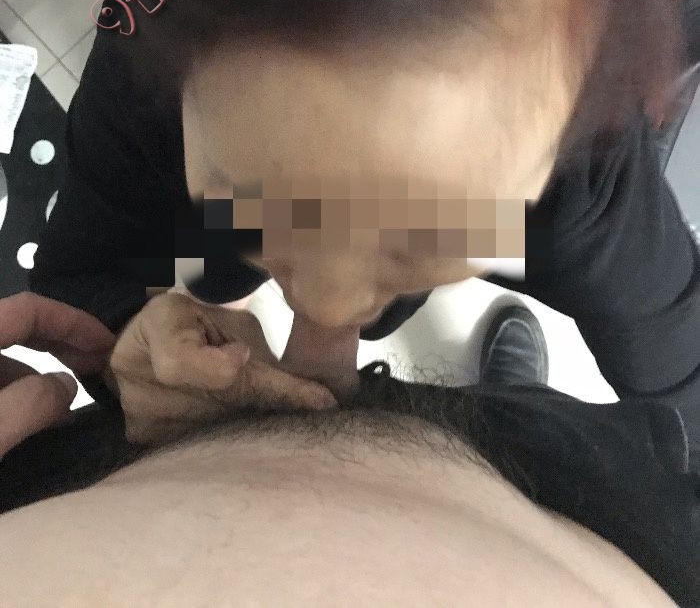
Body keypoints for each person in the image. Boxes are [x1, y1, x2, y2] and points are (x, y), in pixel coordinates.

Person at [1, 0, 698, 590]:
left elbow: (681, 365)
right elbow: (79, 278)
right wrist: (133, 342)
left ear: (560, 144)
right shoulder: (148, 53)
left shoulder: (580, 185)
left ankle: (508, 397)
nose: (325, 323)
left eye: (418, 235)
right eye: (260, 194)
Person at [1, 301, 698, 605]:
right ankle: (511, 393)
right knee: (534, 422)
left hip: (110, 462)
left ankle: (507, 395)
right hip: (594, 513)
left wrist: (127, 350)